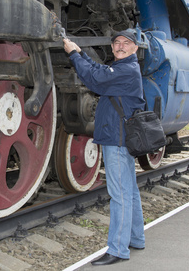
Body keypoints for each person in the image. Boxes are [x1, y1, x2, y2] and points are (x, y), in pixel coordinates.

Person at [63, 30, 146, 265]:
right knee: (129, 191)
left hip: (117, 139)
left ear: (134, 48)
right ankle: (136, 238)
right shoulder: (122, 69)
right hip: (120, 137)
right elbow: (100, 72)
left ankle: (118, 249)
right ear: (112, 47)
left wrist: (73, 56)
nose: (120, 46)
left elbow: (95, 80)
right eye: (117, 43)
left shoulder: (127, 70)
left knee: (119, 194)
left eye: (126, 43)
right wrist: (81, 53)